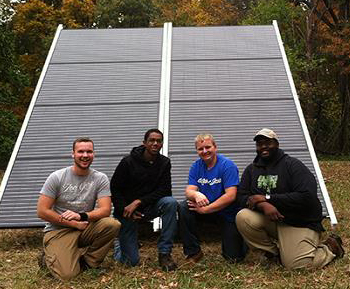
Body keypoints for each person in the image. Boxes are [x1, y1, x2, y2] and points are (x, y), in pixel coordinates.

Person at [236, 128, 345, 269]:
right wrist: (263, 205)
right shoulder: (251, 169)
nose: (263, 146)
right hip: (273, 220)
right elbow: (241, 197)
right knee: (243, 217)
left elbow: (307, 196)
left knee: (298, 265)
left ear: (276, 143)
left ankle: (330, 247)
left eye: (268, 142)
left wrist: (268, 198)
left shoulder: (293, 165)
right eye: (260, 144)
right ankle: (272, 254)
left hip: (299, 221)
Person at [37, 138, 121, 281]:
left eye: (89, 151)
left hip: (84, 227)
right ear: (73, 154)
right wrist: (73, 224)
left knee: (112, 224)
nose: (85, 155)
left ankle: (88, 262)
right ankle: (48, 259)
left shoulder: (100, 178)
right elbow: (42, 211)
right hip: (58, 231)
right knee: (67, 276)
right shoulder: (57, 177)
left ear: (94, 154)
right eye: (80, 151)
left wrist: (80, 216)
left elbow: (105, 210)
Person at [110, 128, 178, 271]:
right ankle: (118, 244)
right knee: (130, 262)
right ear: (144, 143)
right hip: (127, 212)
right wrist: (124, 209)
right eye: (151, 140)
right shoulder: (128, 162)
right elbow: (115, 188)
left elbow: (165, 190)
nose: (155, 143)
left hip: (148, 208)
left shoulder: (164, 163)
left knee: (170, 203)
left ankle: (164, 253)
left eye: (159, 141)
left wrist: (139, 201)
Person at [178, 134, 247, 263]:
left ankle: (242, 244)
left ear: (215, 147)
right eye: (200, 149)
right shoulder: (196, 166)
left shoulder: (227, 165)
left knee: (234, 259)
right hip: (206, 209)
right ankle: (194, 252)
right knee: (184, 207)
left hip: (226, 212)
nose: (204, 151)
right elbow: (189, 190)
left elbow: (231, 195)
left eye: (208, 147)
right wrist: (196, 194)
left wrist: (206, 209)